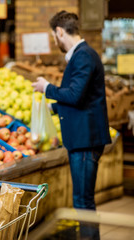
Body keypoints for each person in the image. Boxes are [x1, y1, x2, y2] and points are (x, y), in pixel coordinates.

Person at [32, 10, 111, 238]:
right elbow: (83, 98)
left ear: (59, 31)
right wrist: (52, 108)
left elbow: (75, 95)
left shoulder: (83, 55)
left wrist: (47, 88)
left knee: (83, 200)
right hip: (83, 138)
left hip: (85, 140)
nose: (54, 41)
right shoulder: (83, 54)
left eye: (53, 36)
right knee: (82, 199)